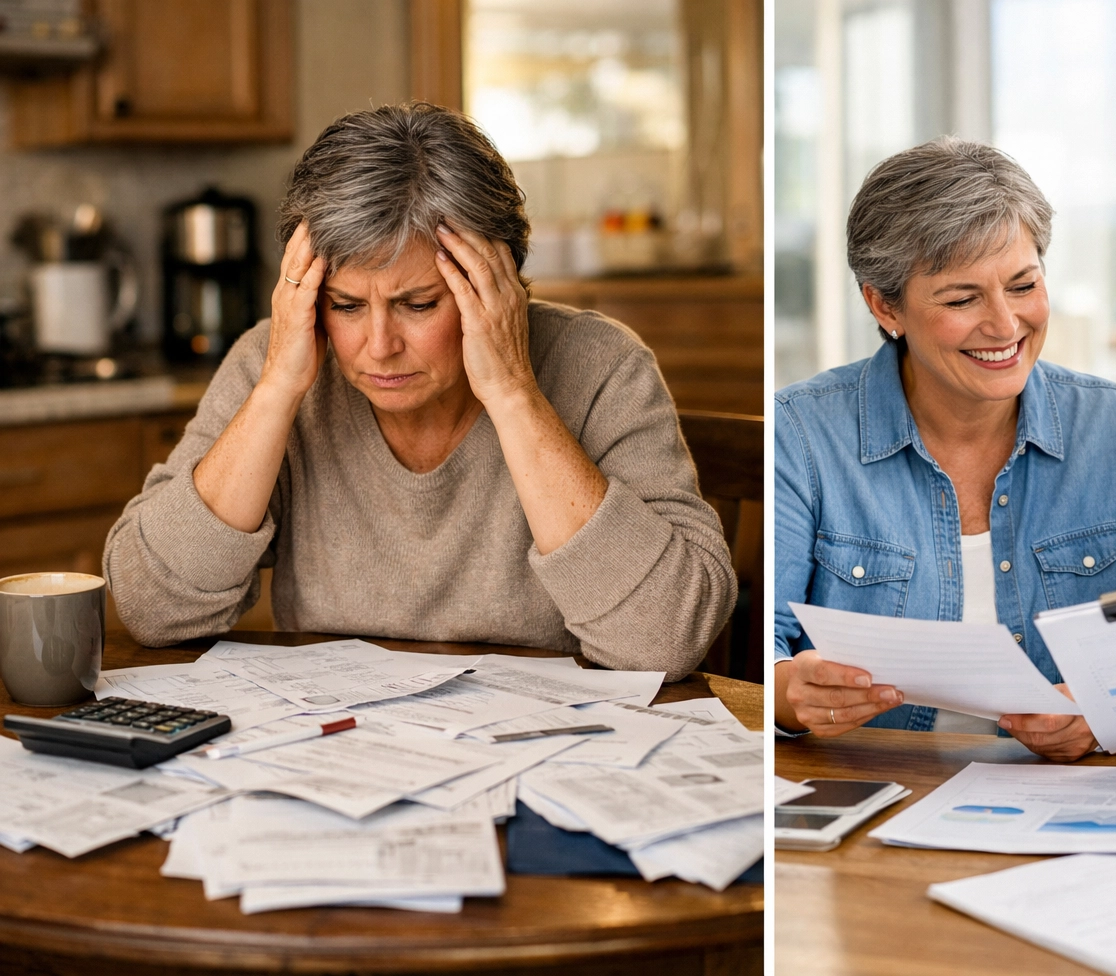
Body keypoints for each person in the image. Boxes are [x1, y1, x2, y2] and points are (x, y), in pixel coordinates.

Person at [105, 103, 736, 680]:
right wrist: (276, 391)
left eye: (418, 304)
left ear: (499, 283)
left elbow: (665, 639)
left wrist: (514, 392)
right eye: (346, 305)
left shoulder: (602, 366)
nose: (378, 345)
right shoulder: (275, 361)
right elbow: (152, 608)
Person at [774, 137, 1116, 759]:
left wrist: (1107, 713)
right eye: (962, 299)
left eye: (1023, 284)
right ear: (883, 304)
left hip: (1071, 797)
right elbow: (767, 655)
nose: (1005, 324)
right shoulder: (803, 433)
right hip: (871, 795)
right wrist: (790, 694)